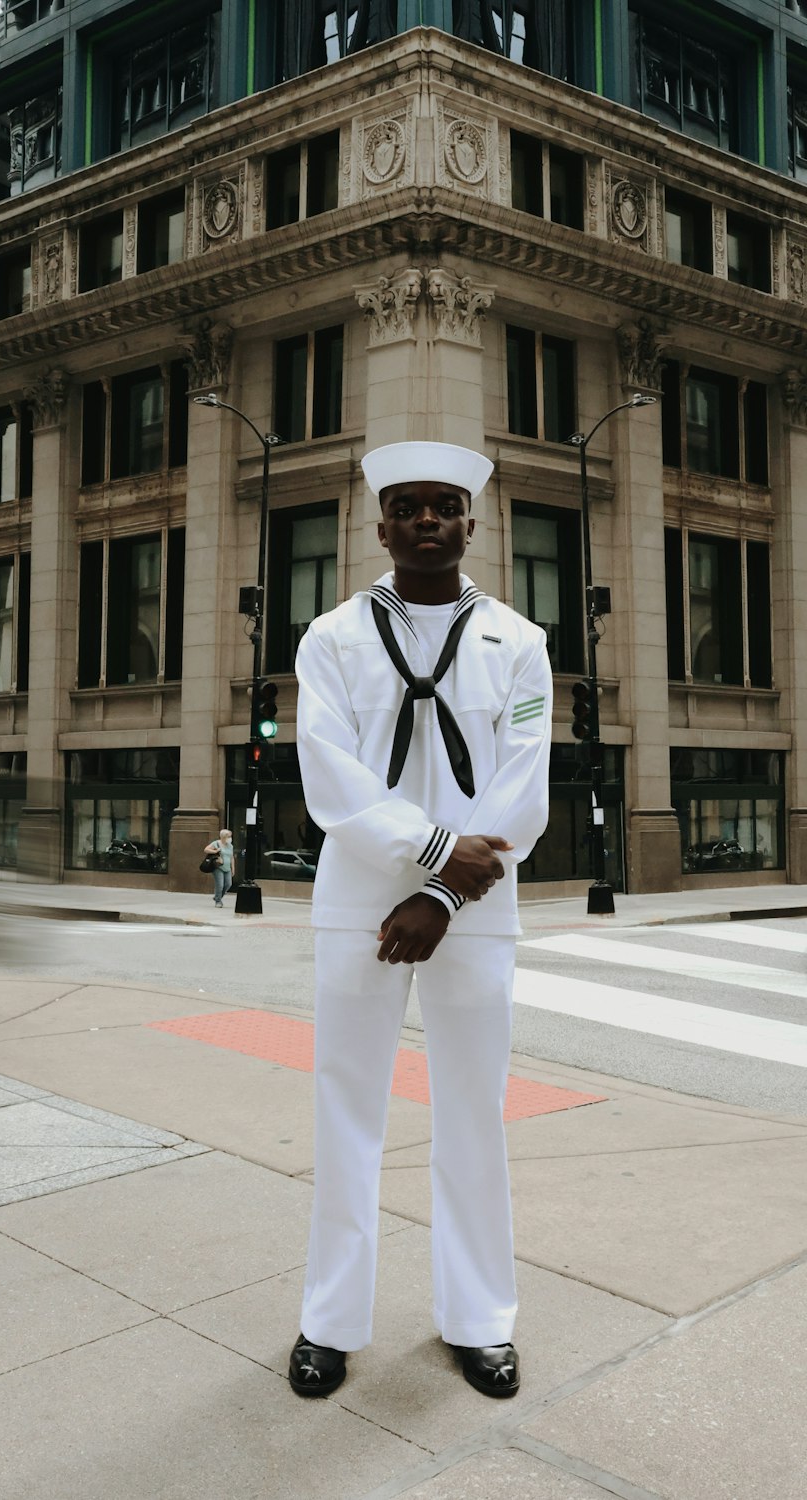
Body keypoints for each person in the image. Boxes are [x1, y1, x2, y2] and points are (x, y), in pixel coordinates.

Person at [290, 440, 552, 1400]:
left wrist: (443, 890)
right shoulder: (333, 637)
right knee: (345, 1108)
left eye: (446, 505)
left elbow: (526, 783)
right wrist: (431, 852)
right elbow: (326, 769)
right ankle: (328, 1322)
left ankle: (480, 1321)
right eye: (409, 508)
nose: (429, 520)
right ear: (381, 525)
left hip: (473, 906)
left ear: (472, 522)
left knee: (473, 1115)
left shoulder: (519, 640)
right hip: (360, 898)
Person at [203, 829, 235, 908]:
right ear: (223, 837)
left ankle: (217, 896)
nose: (230, 838)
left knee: (228, 884)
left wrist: (233, 868)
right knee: (220, 885)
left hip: (227, 868)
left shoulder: (230, 846)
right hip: (218, 867)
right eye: (229, 836)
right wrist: (216, 851)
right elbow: (206, 850)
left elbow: (232, 857)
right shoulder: (216, 843)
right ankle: (218, 901)